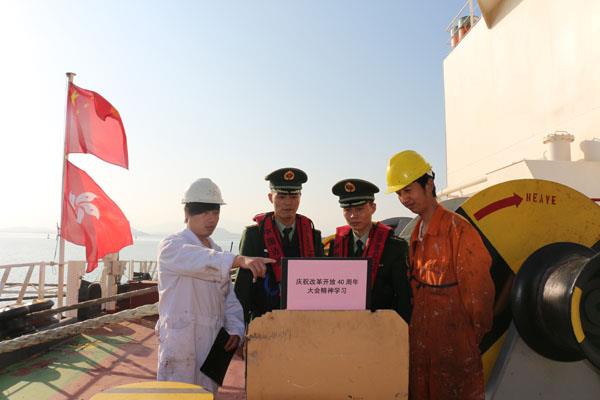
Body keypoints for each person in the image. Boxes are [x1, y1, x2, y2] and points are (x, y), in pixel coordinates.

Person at [386, 150, 495, 400]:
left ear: (429, 184)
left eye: (408, 190)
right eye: (399, 193)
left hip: (455, 345)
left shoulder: (458, 231)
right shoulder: (416, 232)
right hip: (422, 345)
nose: (404, 199)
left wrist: (467, 339)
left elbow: (479, 293)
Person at [156, 178, 274, 393]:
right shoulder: (172, 246)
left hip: (211, 345)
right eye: (203, 212)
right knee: (176, 395)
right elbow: (199, 259)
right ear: (187, 213)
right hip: (180, 342)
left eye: (215, 212)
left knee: (207, 395)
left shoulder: (217, 252)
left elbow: (228, 299)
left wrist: (235, 330)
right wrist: (239, 260)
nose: (211, 218)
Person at [234, 167, 324, 323]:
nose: (288, 203)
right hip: (264, 321)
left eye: (294, 196)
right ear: (271, 198)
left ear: (300, 197)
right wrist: (239, 327)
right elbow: (243, 288)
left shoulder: (312, 235)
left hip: (304, 320)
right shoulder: (254, 235)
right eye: (281, 197)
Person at [328, 178, 411, 322]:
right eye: (347, 210)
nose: (353, 216)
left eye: (359, 209)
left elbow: (403, 297)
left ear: (373, 208)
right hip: (344, 323)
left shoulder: (395, 246)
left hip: (381, 325)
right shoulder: (336, 245)